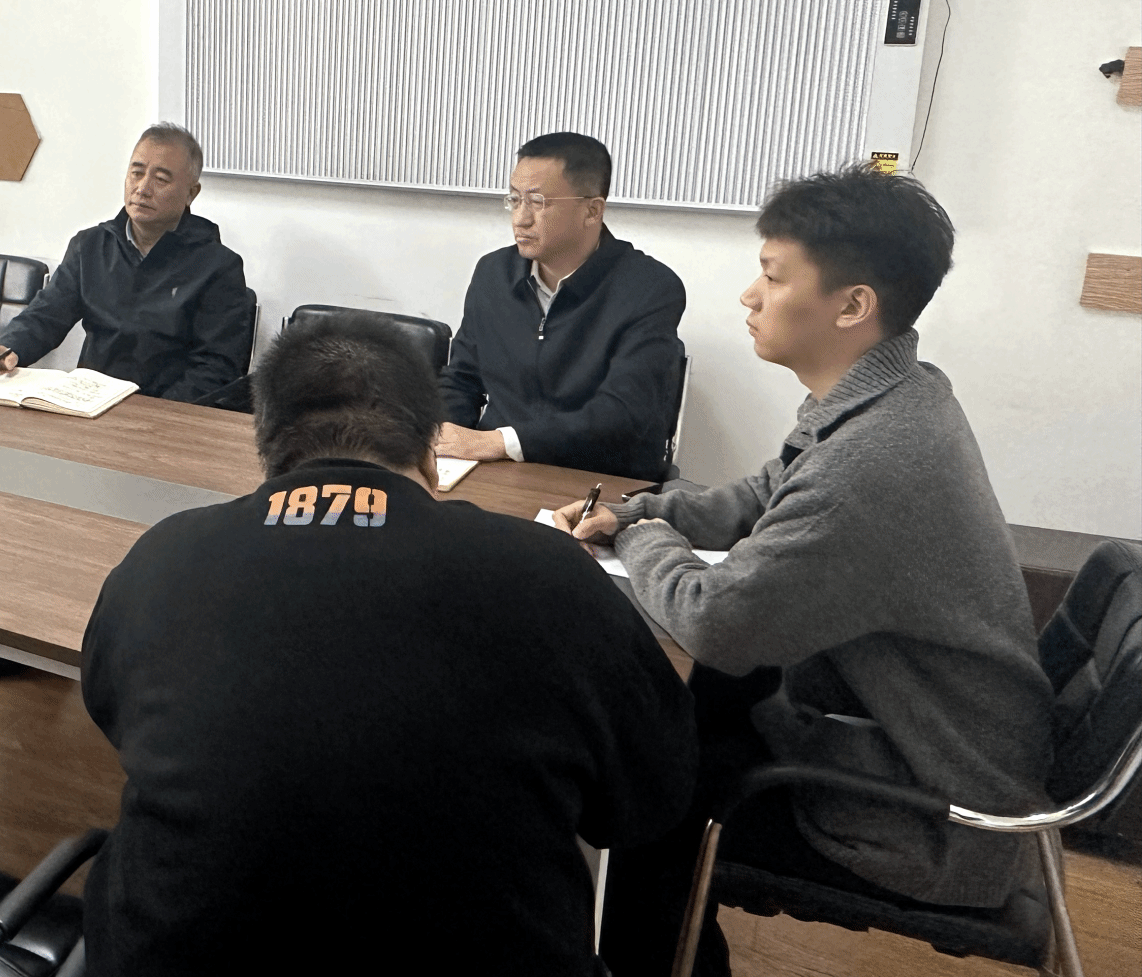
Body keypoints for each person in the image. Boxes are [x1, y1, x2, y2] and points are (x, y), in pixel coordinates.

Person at [79, 313, 697, 975]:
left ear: (267, 447)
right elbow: (648, 800)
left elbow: (114, 713)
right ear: (432, 452)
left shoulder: (163, 557)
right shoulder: (550, 571)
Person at [557, 166, 1053, 976]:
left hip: (927, 811)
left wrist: (641, 538)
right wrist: (639, 510)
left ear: (852, 306)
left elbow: (719, 623)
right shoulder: (891, 393)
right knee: (659, 722)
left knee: (636, 792)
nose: (749, 296)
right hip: (900, 739)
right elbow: (764, 493)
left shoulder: (874, 463)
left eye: (774, 275)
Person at [438, 132, 686, 481]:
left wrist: (500, 443)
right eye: (514, 199)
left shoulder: (650, 288)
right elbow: (462, 380)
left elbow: (622, 414)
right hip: (495, 473)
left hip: (595, 480)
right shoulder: (493, 274)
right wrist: (441, 442)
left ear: (592, 210)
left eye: (538, 202)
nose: (521, 219)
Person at [0, 123, 253, 402]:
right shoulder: (90, 246)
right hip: (90, 403)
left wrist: (152, 414)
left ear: (191, 193)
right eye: (136, 173)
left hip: (168, 415)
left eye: (161, 180)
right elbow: (46, 315)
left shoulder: (218, 267)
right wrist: (8, 347)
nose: (142, 188)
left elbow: (217, 369)